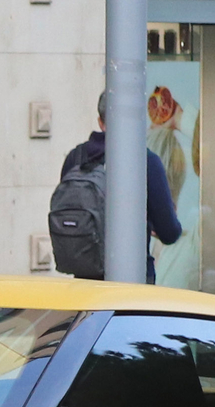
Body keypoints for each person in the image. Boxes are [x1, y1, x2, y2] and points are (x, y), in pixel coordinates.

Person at [60, 95, 183, 281]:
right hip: (133, 279)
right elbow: (169, 232)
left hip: (86, 281)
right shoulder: (146, 161)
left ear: (101, 122)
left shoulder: (76, 158)